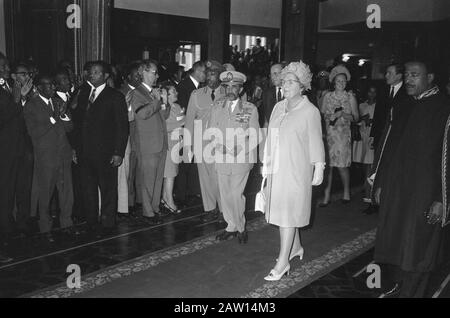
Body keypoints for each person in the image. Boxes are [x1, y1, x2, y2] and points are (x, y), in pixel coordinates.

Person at [372, 60, 450, 298]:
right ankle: (399, 285)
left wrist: (441, 199)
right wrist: (381, 182)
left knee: (419, 248)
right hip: (397, 189)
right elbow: (389, 147)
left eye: (415, 75)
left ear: (431, 77)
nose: (408, 80)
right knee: (395, 241)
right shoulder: (403, 105)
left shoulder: (443, 108)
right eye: (406, 75)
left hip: (425, 193)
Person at [262, 61, 325, 281]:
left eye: (291, 81)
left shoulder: (310, 111)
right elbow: (270, 138)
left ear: (302, 86)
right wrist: (266, 165)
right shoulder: (278, 107)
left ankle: (282, 263)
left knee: (287, 216)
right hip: (277, 169)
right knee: (281, 211)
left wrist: (319, 167)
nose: (285, 84)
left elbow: (316, 141)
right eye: (284, 80)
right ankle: (296, 247)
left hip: (297, 171)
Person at [72, 61, 129, 237]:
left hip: (106, 152)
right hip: (85, 151)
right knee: (88, 189)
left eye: (96, 72)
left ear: (105, 76)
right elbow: (77, 125)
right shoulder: (82, 94)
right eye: (90, 72)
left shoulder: (115, 96)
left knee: (108, 189)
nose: (92, 75)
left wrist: (119, 152)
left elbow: (122, 127)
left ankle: (107, 224)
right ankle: (91, 222)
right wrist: (75, 148)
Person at [209, 71, 259, 244]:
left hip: (241, 158)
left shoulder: (250, 109)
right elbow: (211, 130)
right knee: (225, 194)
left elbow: (254, 135)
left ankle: (241, 226)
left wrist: (237, 148)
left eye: (234, 87)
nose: (230, 90)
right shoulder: (216, 107)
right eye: (227, 87)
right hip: (222, 157)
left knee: (236, 194)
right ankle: (231, 225)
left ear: (241, 88)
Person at [23, 75, 75, 241]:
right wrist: (53, 117)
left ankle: (66, 223)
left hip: (63, 154)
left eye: (53, 84)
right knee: (45, 193)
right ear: (38, 87)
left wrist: (64, 114)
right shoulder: (31, 106)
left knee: (67, 192)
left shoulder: (58, 102)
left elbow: (69, 127)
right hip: (46, 157)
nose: (53, 87)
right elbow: (34, 133)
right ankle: (45, 227)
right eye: (49, 84)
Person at [184, 60, 225, 222]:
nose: (209, 77)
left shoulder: (228, 93)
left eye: (213, 74)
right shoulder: (196, 95)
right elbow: (188, 121)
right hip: (202, 143)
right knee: (205, 178)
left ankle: (223, 209)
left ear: (220, 76)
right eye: (207, 74)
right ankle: (210, 208)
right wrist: (188, 146)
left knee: (221, 178)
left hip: (222, 144)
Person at [130, 59, 170, 225]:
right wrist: (156, 101)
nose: (156, 76)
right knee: (147, 180)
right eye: (154, 72)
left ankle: (155, 209)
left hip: (160, 142)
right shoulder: (137, 93)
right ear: (143, 73)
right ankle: (148, 212)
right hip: (147, 143)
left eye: (156, 73)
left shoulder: (154, 92)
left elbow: (164, 116)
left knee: (157, 179)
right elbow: (142, 114)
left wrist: (165, 102)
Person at [320, 65, 359, 206]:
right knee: (328, 166)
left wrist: (343, 114)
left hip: (343, 135)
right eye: (338, 81)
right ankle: (326, 197)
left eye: (343, 81)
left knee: (342, 166)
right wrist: (329, 117)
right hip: (329, 134)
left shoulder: (350, 97)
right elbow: (322, 112)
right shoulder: (327, 96)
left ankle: (346, 192)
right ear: (334, 83)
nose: (341, 84)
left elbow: (356, 117)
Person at [175, 61, 206, 206]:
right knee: (185, 162)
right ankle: (181, 195)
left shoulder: (200, 87)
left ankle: (191, 191)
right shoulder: (184, 86)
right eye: (205, 72)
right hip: (186, 129)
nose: (206, 76)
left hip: (197, 130)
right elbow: (182, 110)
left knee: (192, 162)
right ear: (198, 71)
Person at [119, 62, 143, 213]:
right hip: (128, 137)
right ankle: (128, 205)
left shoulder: (142, 91)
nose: (139, 78)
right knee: (128, 173)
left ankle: (137, 202)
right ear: (128, 77)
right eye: (136, 75)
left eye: (140, 75)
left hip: (141, 136)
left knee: (138, 172)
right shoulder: (122, 92)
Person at [162, 84, 185, 214]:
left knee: (172, 172)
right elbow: (166, 126)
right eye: (173, 91)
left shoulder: (176, 107)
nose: (176, 92)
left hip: (177, 143)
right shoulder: (164, 108)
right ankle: (169, 201)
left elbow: (184, 119)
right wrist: (180, 123)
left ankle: (165, 198)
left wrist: (180, 123)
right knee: (170, 174)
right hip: (169, 144)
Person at [352, 85, 377, 203]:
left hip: (371, 135)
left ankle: (369, 190)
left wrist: (371, 120)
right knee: (362, 162)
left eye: (374, 92)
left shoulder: (378, 106)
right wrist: (363, 119)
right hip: (362, 135)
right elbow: (357, 119)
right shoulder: (362, 105)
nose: (371, 95)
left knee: (369, 163)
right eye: (370, 92)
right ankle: (365, 184)